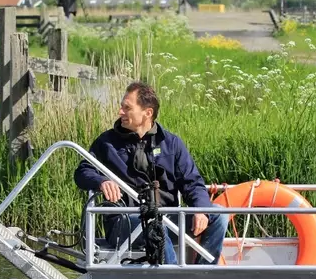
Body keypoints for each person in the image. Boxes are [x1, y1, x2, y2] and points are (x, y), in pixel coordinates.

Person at [73, 82, 228, 264]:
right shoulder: (106, 143)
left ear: (148, 113)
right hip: (124, 223)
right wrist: (101, 181)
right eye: (121, 107)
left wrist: (202, 211)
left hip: (168, 219)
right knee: (155, 224)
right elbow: (82, 172)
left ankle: (204, 275)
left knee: (218, 214)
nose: (120, 112)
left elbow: (192, 182)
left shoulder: (171, 143)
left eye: (127, 108)